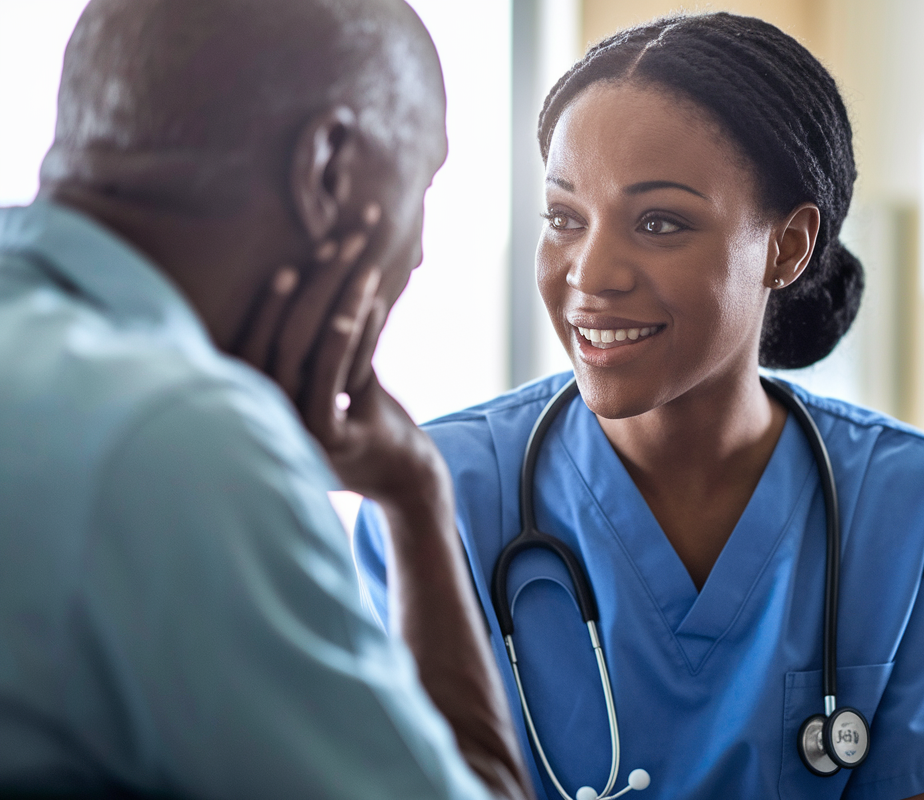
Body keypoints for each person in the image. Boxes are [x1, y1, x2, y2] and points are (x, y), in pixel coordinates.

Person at [354, 11, 924, 800]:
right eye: (564, 218)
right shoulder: (435, 491)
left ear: (786, 247)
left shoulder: (915, 505)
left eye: (659, 222)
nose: (591, 273)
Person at [0, 0, 531, 797]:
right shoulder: (179, 443)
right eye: (424, 178)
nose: (418, 251)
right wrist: (417, 495)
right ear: (329, 167)